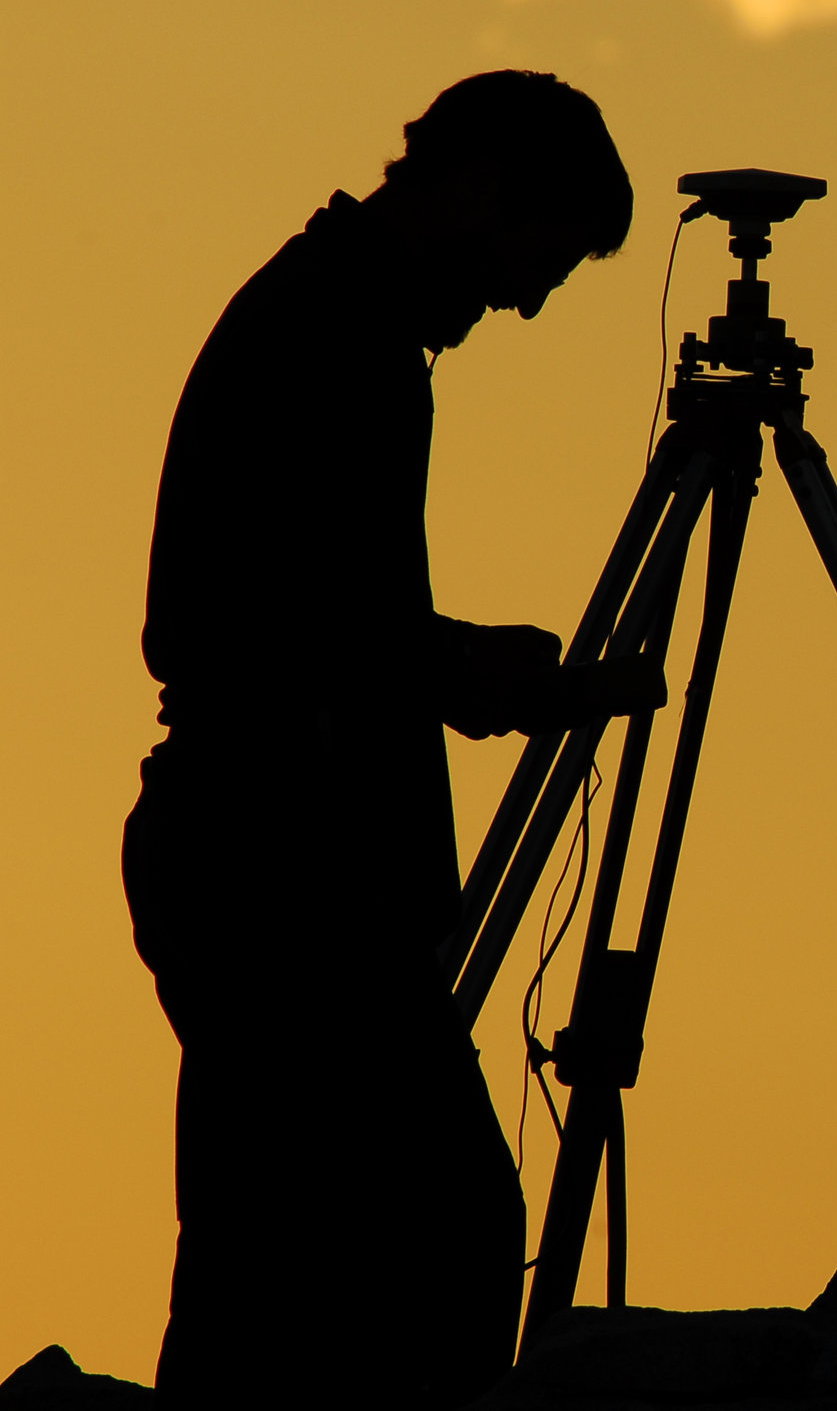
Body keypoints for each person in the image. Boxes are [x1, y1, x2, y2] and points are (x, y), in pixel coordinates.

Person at [123, 71, 653, 1406]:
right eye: (536, 264)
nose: (522, 303)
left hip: (261, 852)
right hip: (269, 858)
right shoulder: (331, 338)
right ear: (483, 188)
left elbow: (319, 624)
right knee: (433, 1234)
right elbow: (273, 630)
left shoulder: (332, 322)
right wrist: (487, 673)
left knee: (281, 1261)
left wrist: (466, 677)